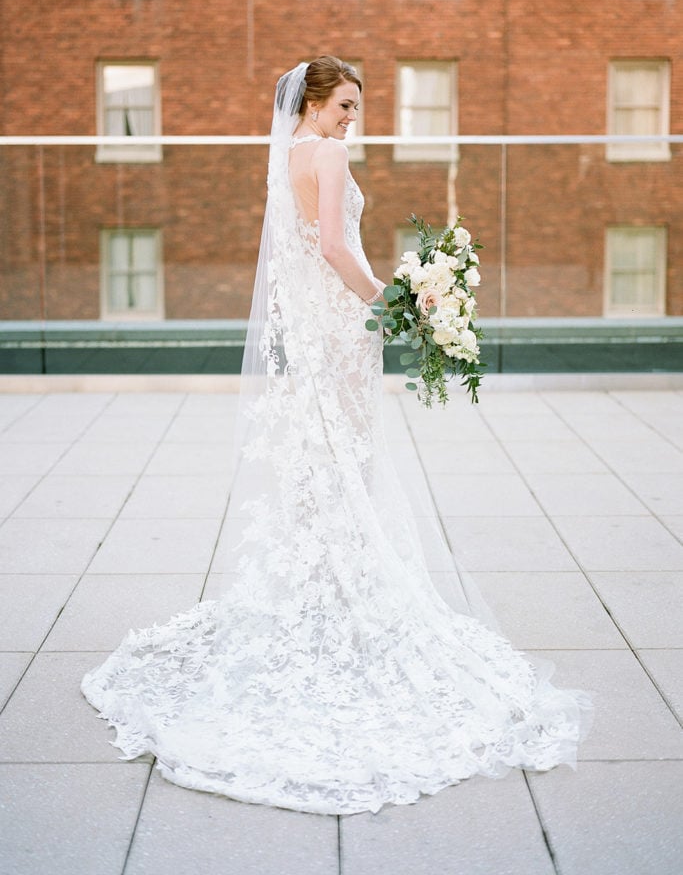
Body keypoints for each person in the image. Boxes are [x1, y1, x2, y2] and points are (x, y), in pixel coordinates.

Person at [82, 56, 592, 816]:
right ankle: (343, 596)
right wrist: (395, 303)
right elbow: (327, 245)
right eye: (345, 103)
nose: (353, 117)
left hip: (317, 333)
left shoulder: (286, 155)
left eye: (358, 107)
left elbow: (295, 257)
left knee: (328, 462)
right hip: (343, 328)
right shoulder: (325, 151)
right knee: (349, 458)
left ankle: (323, 590)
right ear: (314, 101)